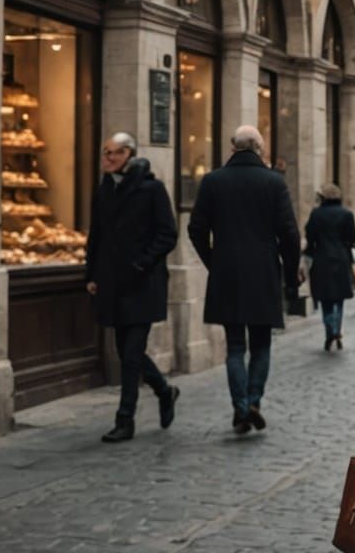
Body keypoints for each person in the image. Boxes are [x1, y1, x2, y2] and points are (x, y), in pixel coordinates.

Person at [187, 126, 304, 435]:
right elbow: (290, 234)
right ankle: (253, 401)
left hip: (227, 272)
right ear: (260, 149)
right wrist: (292, 272)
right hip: (264, 271)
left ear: (232, 148)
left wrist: (214, 261)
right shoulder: (273, 182)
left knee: (235, 346)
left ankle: (240, 408)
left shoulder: (213, 181)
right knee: (261, 343)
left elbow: (196, 228)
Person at [86, 132, 179, 444]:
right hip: (112, 282)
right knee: (128, 353)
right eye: (105, 153)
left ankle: (125, 419)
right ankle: (165, 391)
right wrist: (91, 274)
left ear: (128, 154)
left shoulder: (151, 189)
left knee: (131, 351)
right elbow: (96, 236)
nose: (107, 159)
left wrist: (142, 263)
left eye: (113, 153)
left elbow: (168, 234)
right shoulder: (105, 189)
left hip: (143, 283)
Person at [306, 184, 355, 350]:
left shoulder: (316, 214)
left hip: (322, 259)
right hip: (341, 259)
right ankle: (336, 329)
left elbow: (310, 236)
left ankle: (330, 330)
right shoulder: (347, 214)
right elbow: (352, 238)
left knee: (325, 299)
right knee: (339, 299)